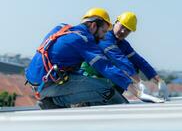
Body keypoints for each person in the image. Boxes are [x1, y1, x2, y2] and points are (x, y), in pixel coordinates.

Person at [25, 8, 163, 109]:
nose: (103, 36)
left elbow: (137, 59)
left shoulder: (62, 28)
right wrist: (137, 91)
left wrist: (156, 78)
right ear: (92, 25)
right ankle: (54, 102)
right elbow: (106, 66)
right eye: (103, 31)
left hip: (37, 80)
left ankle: (56, 98)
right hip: (47, 85)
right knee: (107, 90)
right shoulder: (83, 40)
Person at [82, 12, 169, 100]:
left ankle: (112, 95)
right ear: (116, 22)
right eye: (122, 26)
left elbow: (139, 61)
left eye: (128, 30)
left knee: (134, 66)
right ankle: (104, 96)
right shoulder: (105, 37)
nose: (123, 31)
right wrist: (139, 82)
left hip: (103, 76)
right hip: (89, 74)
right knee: (124, 68)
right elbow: (119, 59)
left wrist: (159, 81)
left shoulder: (123, 43)